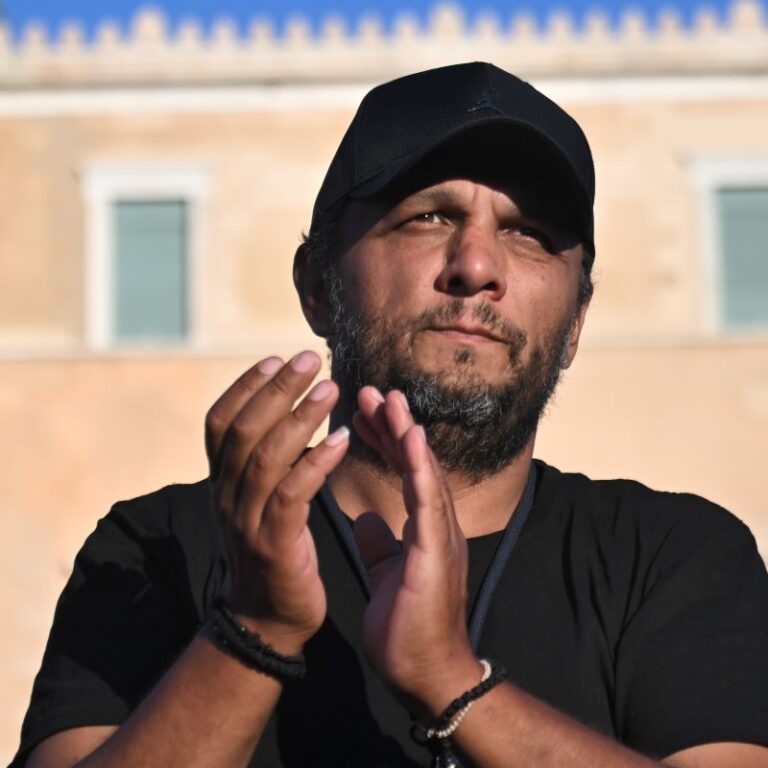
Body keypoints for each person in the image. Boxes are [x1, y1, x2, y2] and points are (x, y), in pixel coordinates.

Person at [11, 62, 768, 768]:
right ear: (318, 287)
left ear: (575, 324)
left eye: (529, 234)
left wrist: (453, 682)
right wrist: (252, 631)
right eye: (428, 217)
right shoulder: (157, 551)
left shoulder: (675, 557)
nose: (476, 266)